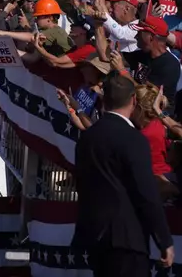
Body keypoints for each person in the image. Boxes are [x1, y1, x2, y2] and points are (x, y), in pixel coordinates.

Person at [72, 74, 174, 276]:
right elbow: (146, 191)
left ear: (104, 100)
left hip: (95, 237)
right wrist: (164, 239)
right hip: (128, 240)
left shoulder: (87, 138)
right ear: (133, 101)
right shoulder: (133, 139)